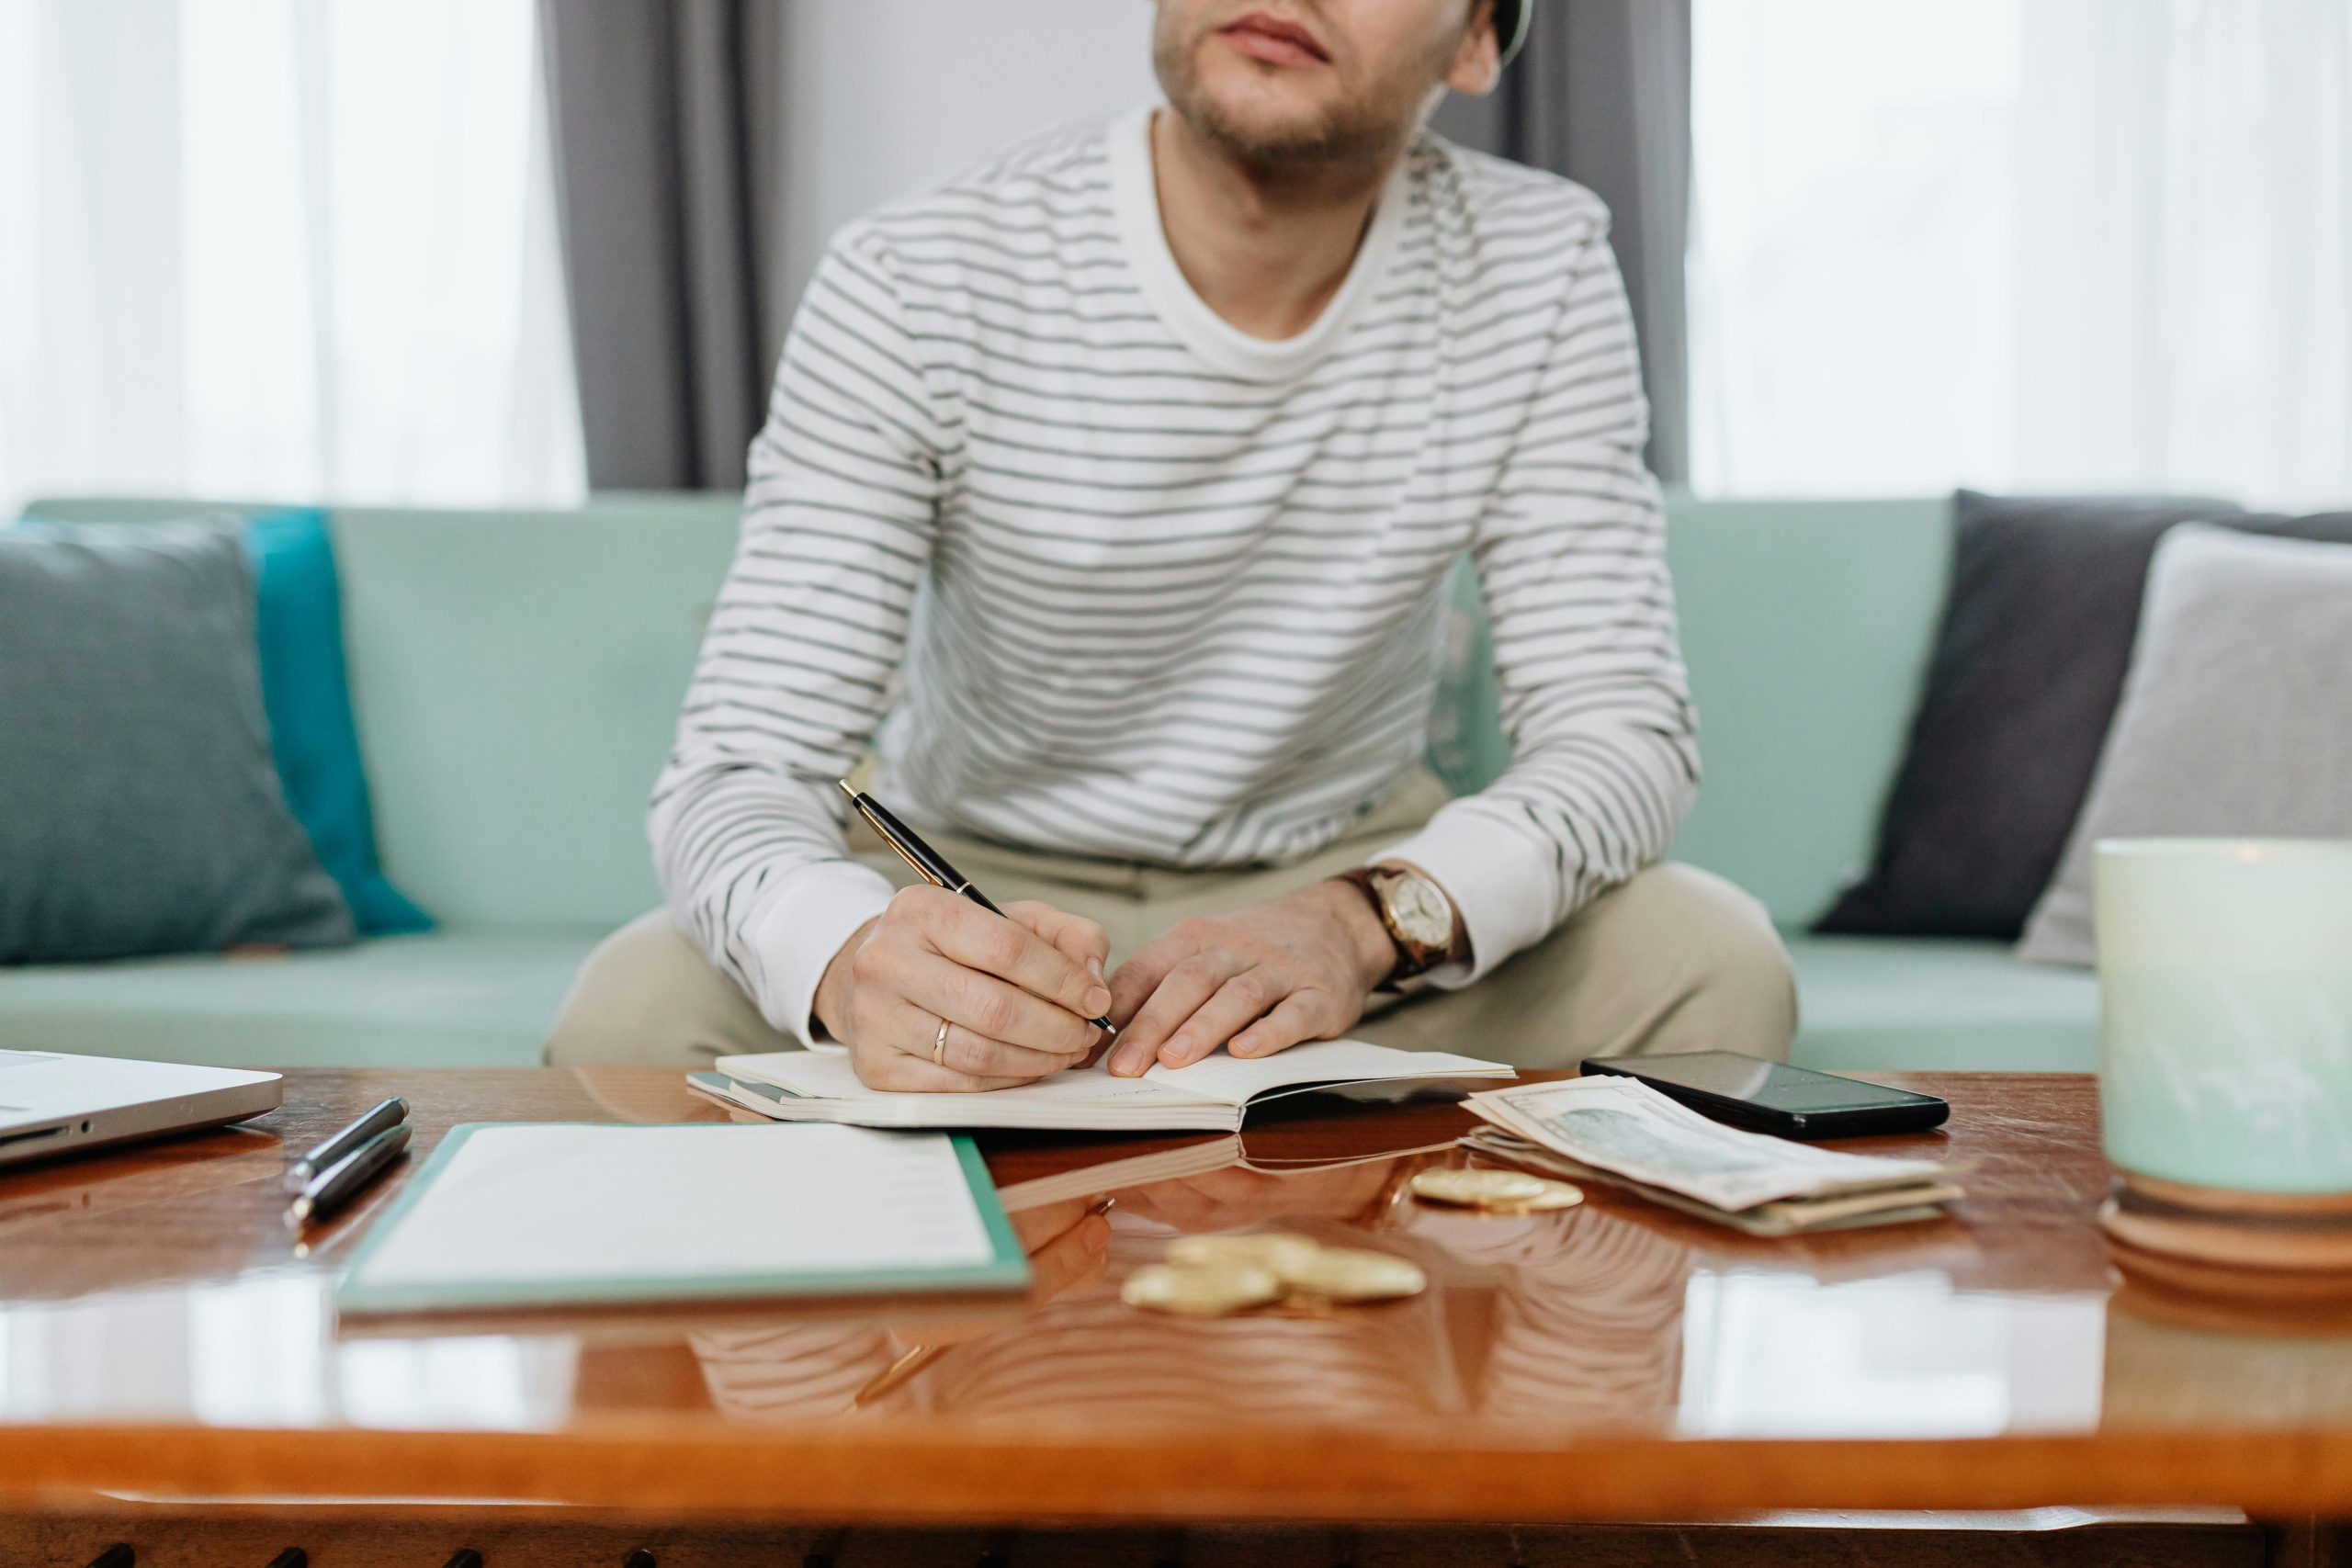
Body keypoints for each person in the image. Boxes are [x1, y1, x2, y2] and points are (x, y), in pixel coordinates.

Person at [546, 0, 1796, 1088]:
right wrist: (857, 959)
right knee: (631, 1013)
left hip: (1347, 883)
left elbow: (1618, 733)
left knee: (1711, 969)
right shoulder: (916, 273)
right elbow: (740, 768)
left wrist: (1362, 926)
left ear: (1476, 41)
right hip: (976, 883)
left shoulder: (1539, 263)